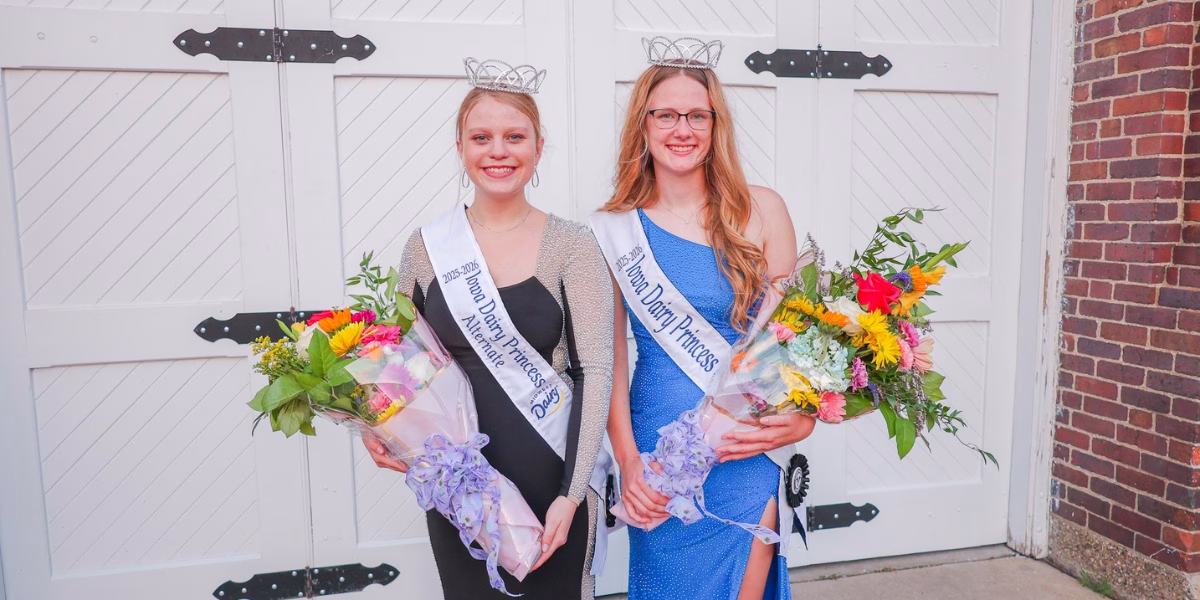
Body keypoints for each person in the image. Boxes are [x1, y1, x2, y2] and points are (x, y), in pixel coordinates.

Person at [364, 58, 613, 599]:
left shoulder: (572, 246)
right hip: (457, 485)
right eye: (481, 137)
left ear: (538, 147)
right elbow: (396, 361)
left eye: (514, 136)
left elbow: (595, 371)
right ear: (461, 148)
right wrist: (373, 426)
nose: (498, 151)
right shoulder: (427, 248)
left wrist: (571, 496)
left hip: (552, 480)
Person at [591, 38, 815, 600]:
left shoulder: (763, 210)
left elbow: (796, 340)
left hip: (746, 442)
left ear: (716, 126)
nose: (682, 129)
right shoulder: (613, 230)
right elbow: (610, 357)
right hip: (661, 450)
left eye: (697, 115)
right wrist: (627, 458)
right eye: (665, 115)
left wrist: (804, 419)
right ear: (642, 126)